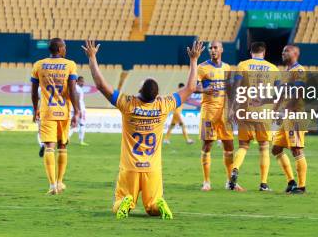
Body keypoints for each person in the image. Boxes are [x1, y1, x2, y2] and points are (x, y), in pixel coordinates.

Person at [82, 39, 203, 220]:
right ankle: (158, 204)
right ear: (157, 94)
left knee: (120, 202)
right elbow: (191, 87)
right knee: (152, 206)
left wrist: (92, 57)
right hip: (152, 168)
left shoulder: (128, 104)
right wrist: (194, 60)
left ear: (140, 90)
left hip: (130, 167)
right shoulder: (164, 105)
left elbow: (100, 85)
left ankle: (125, 202)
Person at [31, 38, 80, 195]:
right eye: (64, 47)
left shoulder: (38, 65)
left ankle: (52, 185)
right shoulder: (70, 65)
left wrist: (34, 109)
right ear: (59, 49)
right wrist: (77, 110)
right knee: (62, 146)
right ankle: (59, 181)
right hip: (63, 112)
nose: (66, 49)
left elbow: (33, 91)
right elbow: (72, 90)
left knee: (49, 147)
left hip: (47, 111)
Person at [229, 42, 281, 192]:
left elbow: (236, 88)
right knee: (264, 147)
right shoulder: (273, 68)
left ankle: (235, 168)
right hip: (264, 112)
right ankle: (263, 184)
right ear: (264, 53)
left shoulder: (243, 65)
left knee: (243, 146)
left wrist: (232, 109)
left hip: (245, 110)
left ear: (251, 52)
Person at [197, 41, 242, 192]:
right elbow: (193, 86)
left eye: (215, 47)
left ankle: (230, 182)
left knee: (229, 146)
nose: (213, 50)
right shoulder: (202, 67)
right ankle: (206, 181)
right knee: (207, 145)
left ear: (221, 49)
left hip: (224, 113)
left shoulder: (227, 67)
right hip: (209, 111)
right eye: (211, 48)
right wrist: (204, 90)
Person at [271, 45, 308, 194]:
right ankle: (291, 182)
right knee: (276, 149)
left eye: (286, 50)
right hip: (285, 116)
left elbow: (299, 92)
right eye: (282, 50)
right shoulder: (285, 73)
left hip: (295, 115)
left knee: (296, 149)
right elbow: (281, 94)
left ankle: (301, 186)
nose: (283, 53)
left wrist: (286, 110)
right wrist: (274, 110)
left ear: (295, 53)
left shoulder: (299, 70)